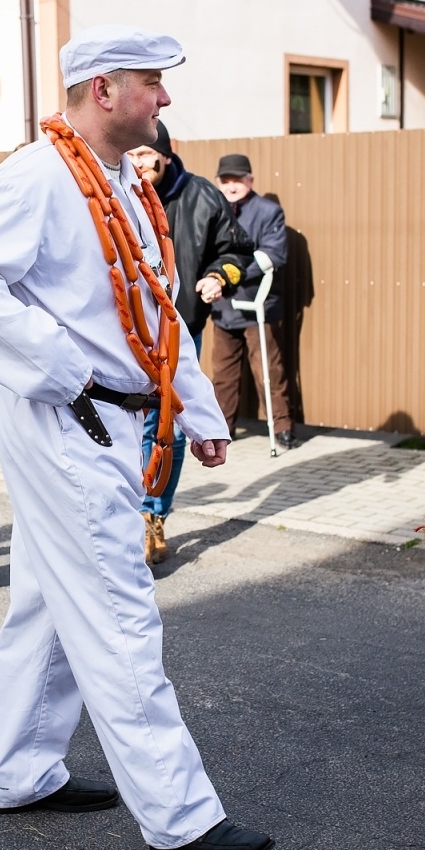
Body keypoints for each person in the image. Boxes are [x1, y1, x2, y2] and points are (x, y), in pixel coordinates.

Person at [0, 24, 274, 850]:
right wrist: (58, 368)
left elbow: (154, 310)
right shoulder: (39, 176)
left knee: (48, 604)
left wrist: (197, 409)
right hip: (69, 420)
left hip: (104, 417)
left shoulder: (120, 182)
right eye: (152, 82)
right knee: (119, 611)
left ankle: (20, 772)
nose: (165, 97)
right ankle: (180, 817)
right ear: (105, 89)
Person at [127, 123, 249, 564]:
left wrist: (219, 277)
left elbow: (237, 251)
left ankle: (153, 514)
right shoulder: (115, 190)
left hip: (181, 329)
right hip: (127, 332)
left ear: (166, 153)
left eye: (146, 154)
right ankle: (129, 514)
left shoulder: (202, 196)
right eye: (132, 154)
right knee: (134, 422)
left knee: (170, 427)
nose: (139, 163)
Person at [210, 153, 298, 451]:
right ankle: (222, 429)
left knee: (268, 371)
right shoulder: (214, 209)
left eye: (237, 180)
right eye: (225, 181)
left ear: (250, 180)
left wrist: (230, 276)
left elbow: (273, 253)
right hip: (223, 307)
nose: (231, 186)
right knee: (223, 374)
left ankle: (282, 427)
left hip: (258, 306)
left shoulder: (268, 212)